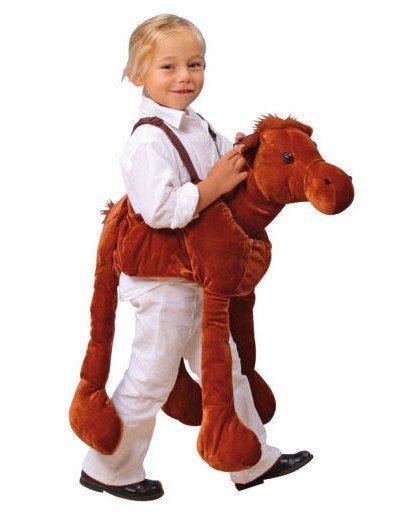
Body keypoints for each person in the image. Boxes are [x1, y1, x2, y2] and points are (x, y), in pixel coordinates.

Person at [78, 14, 312, 501]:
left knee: (224, 368)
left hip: (198, 276)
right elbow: (161, 210)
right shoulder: (148, 140)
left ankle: (252, 459)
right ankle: (109, 468)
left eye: (195, 64)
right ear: (137, 74)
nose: (184, 76)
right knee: (152, 374)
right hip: (163, 280)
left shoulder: (199, 126)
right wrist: (213, 186)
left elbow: (232, 165)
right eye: (168, 66)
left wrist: (255, 154)